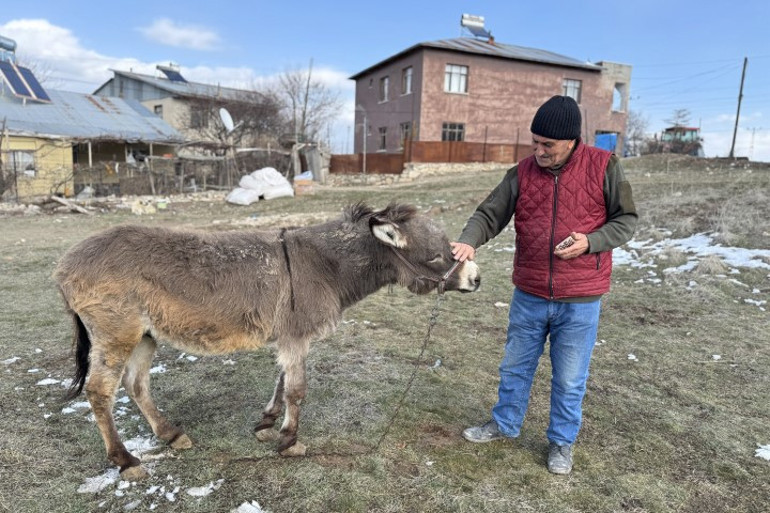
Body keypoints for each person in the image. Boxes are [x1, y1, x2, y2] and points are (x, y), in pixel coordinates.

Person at [451, 95, 637, 475]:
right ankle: (503, 424)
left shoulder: (605, 166)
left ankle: (561, 443)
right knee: (515, 367)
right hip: (530, 292)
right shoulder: (522, 172)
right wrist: (470, 239)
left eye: (547, 145)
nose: (538, 151)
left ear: (571, 141)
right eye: (534, 142)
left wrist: (591, 241)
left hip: (581, 297)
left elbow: (626, 220)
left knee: (569, 378)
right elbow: (490, 213)